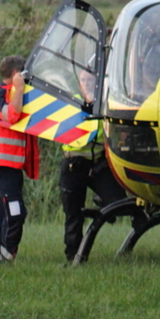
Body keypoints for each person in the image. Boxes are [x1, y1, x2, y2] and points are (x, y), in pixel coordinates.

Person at [58, 66, 130, 262]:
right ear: (79, 83)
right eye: (84, 81)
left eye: (91, 81)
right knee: (73, 214)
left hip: (98, 164)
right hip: (74, 163)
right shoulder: (70, 103)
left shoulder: (105, 104)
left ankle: (100, 207)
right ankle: (73, 256)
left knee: (119, 204)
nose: (88, 84)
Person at [0, 55, 40, 263]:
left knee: (0, 211)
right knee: (15, 211)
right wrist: (19, 89)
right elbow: (12, 116)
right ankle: (7, 253)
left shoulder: (18, 95)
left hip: (12, 166)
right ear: (17, 75)